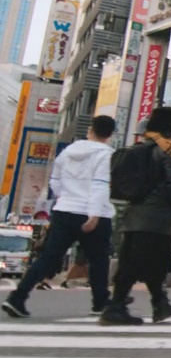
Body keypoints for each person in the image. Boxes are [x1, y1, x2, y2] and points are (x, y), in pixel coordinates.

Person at [4, 115, 118, 319]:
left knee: (48, 256)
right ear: (110, 135)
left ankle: (17, 298)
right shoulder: (107, 155)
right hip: (91, 212)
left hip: (65, 209)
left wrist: (65, 197)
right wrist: (94, 215)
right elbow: (100, 184)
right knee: (98, 259)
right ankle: (100, 303)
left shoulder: (67, 152)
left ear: (90, 130)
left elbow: (55, 182)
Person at [100, 107, 171, 326]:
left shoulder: (143, 147)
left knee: (147, 261)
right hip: (156, 218)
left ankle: (160, 303)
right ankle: (116, 307)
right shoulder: (169, 150)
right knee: (138, 263)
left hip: (134, 215)